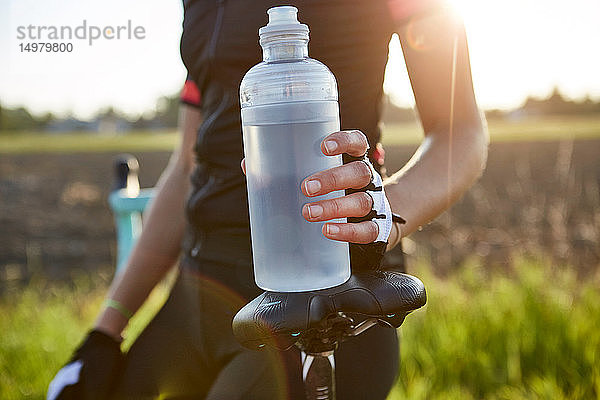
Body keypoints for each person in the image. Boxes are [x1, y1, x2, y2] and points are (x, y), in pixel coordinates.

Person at [48, 0, 487, 399]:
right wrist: (105, 332)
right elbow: (186, 166)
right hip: (198, 290)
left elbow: (460, 134)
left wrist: (384, 212)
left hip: (318, 297)